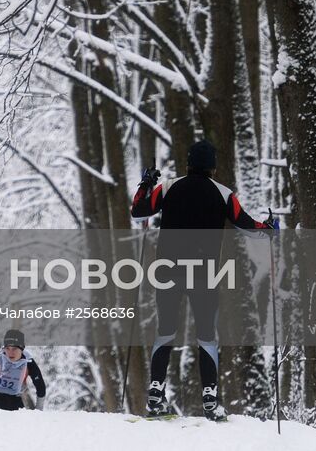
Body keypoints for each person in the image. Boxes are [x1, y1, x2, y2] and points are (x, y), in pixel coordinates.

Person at [130, 138, 277, 421]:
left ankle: (155, 395)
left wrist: (145, 184)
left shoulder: (169, 186)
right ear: (213, 167)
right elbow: (247, 226)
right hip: (204, 272)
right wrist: (269, 228)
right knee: (207, 335)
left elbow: (138, 211)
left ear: (188, 163)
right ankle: (210, 398)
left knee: (166, 331)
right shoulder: (224, 194)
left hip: (168, 269)